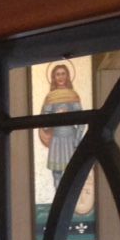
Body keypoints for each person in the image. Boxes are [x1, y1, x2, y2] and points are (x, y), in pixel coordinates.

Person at [37, 62, 86, 191]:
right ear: (53, 77)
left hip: (71, 138)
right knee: (57, 173)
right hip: (56, 139)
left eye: (63, 74)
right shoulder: (50, 97)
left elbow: (82, 119)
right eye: (57, 74)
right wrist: (54, 117)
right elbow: (44, 122)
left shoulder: (73, 95)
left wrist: (77, 139)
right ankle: (58, 197)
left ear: (67, 76)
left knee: (72, 172)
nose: (60, 77)